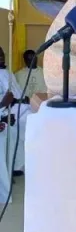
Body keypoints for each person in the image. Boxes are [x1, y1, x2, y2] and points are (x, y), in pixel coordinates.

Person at [0, 46, 30, 176]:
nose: (1, 57)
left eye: (2, 54)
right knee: (19, 126)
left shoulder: (7, 72)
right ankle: (14, 166)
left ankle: (22, 165)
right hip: (7, 110)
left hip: (21, 107)